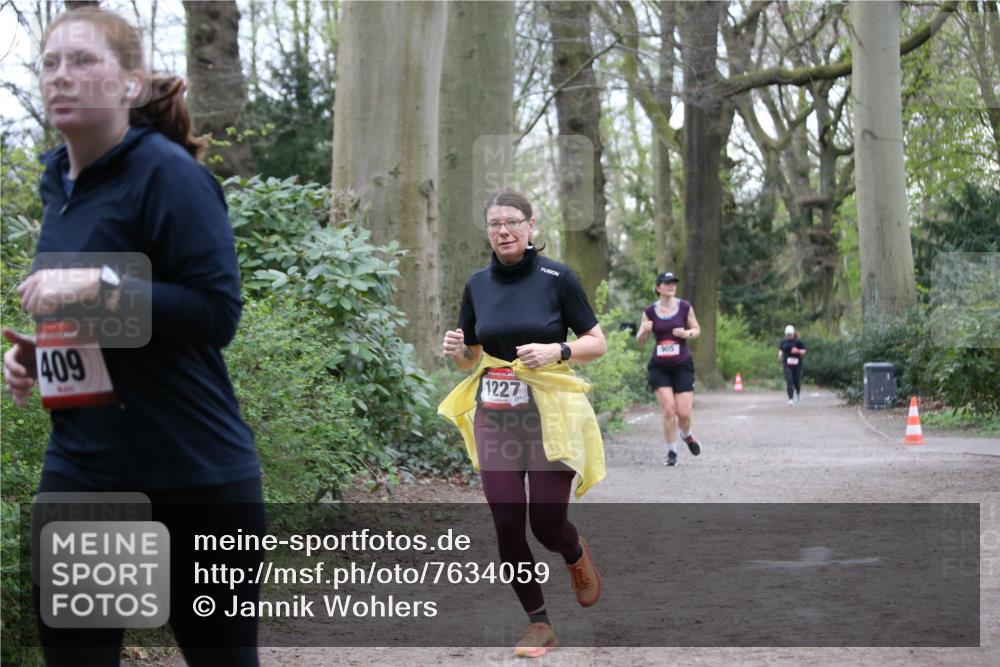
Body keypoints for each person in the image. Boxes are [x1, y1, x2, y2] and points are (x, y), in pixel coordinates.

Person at [2, 8, 263, 665]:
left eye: (84, 61)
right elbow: (102, 321)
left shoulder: (168, 174)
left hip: (195, 480)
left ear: (128, 81)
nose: (63, 76)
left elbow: (214, 312)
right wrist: (41, 354)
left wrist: (92, 289)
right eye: (51, 63)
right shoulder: (59, 185)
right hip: (86, 474)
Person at [438, 189, 607, 658]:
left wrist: (560, 350)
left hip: (549, 415)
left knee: (548, 525)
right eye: (494, 224)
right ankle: (538, 622)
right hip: (496, 417)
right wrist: (458, 352)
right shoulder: (477, 285)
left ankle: (572, 551)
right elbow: (470, 355)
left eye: (512, 222)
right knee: (507, 522)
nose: (503, 231)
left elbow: (598, 342)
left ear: (532, 227)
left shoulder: (558, 278)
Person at [635, 272, 702, 467]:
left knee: (684, 413)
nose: (671, 286)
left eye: (673, 283)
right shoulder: (649, 311)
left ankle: (687, 435)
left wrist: (686, 333)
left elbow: (697, 329)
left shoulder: (684, 307)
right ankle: (671, 452)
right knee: (668, 410)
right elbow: (641, 341)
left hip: (682, 365)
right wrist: (643, 331)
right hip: (660, 367)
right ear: (658, 288)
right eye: (666, 283)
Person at [779, 324, 807, 404]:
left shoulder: (798, 341)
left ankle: (798, 393)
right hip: (787, 364)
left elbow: (804, 352)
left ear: (793, 334)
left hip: (797, 365)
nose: (789, 336)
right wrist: (780, 355)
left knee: (796, 380)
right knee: (789, 380)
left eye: (790, 334)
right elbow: (781, 350)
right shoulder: (783, 342)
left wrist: (798, 351)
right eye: (787, 334)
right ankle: (790, 399)